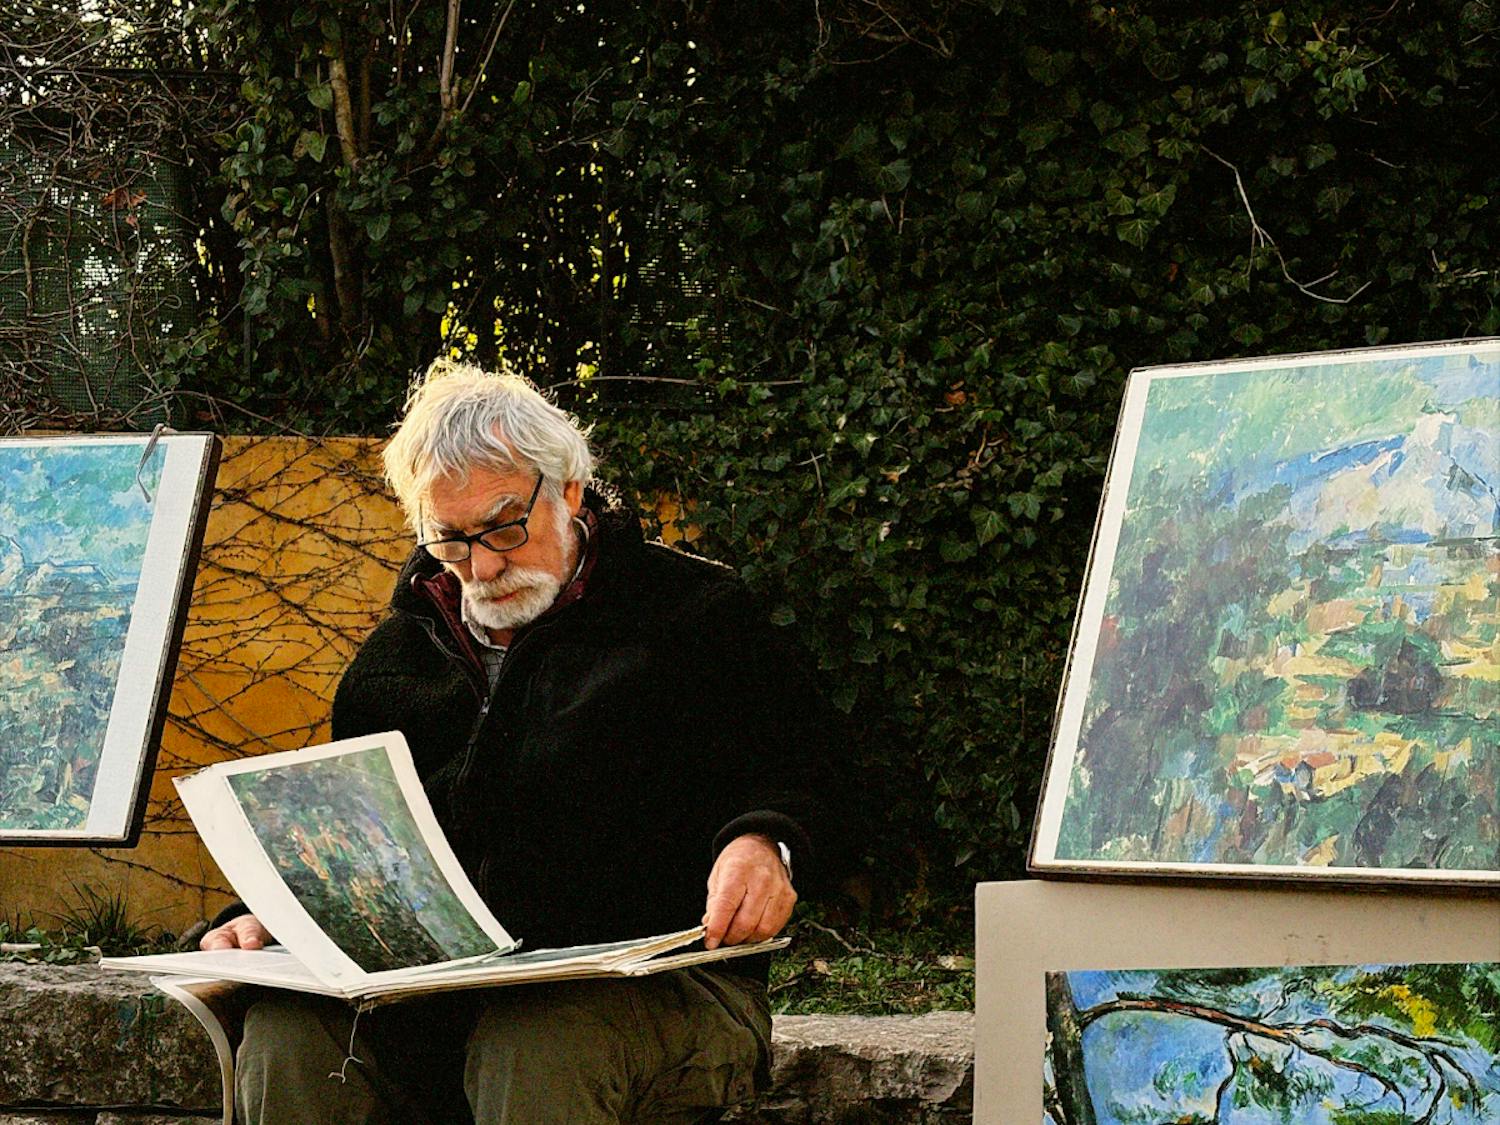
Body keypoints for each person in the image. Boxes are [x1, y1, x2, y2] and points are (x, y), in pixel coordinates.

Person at [199, 358, 853, 1124]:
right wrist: (273, 911)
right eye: (450, 540)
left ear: (570, 489)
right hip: (436, 1002)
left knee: (536, 1042)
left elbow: (811, 769)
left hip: (660, 991)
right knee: (287, 1035)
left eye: (506, 525)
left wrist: (765, 839)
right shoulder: (395, 661)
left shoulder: (692, 617)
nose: (484, 564)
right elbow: (350, 838)